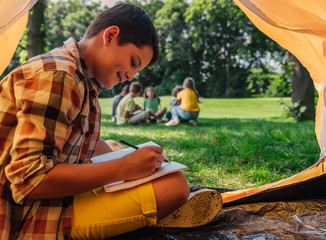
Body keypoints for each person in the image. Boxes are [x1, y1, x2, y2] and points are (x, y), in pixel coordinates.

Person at [0, 4, 221, 239]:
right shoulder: (59, 76)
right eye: (133, 62)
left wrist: (139, 163)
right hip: (27, 215)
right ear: (111, 36)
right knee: (175, 186)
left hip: (44, 199)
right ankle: (154, 212)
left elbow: (86, 142)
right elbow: (29, 180)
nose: (130, 75)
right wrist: (124, 167)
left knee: (115, 146)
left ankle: (148, 210)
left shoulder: (81, 77)